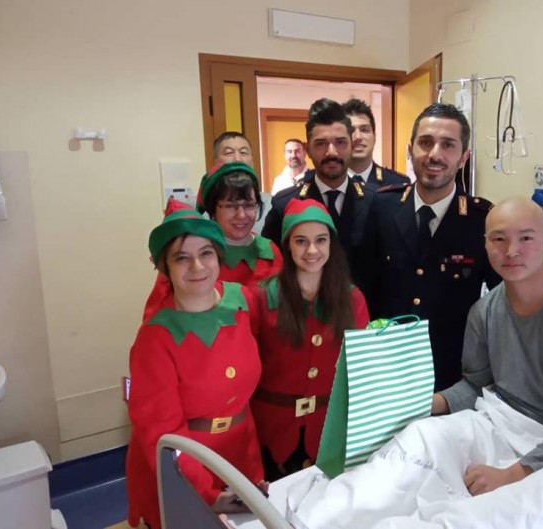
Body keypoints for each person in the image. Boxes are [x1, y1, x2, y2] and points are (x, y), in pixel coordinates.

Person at [431, 195, 543, 494]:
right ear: (485, 244)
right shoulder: (483, 312)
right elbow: (476, 385)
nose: (511, 251)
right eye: (499, 239)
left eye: (526, 238)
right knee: (422, 441)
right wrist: (424, 405)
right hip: (504, 423)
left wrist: (511, 475)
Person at [126, 199, 266, 529]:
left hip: (242, 455)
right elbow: (162, 433)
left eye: (206, 253)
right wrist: (207, 493)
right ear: (166, 268)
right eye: (182, 258)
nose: (197, 266)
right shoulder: (155, 339)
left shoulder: (241, 302)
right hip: (183, 469)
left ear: (218, 256)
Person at [357, 102, 501, 391]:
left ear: (463, 157)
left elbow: (502, 300)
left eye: (448, 145)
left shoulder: (482, 219)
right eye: (425, 142)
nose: (435, 154)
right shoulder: (382, 207)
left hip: (451, 374)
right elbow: (361, 285)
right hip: (385, 369)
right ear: (410, 150)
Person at [251, 198, 369, 480]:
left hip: (329, 431)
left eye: (321, 240)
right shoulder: (261, 298)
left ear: (331, 244)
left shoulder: (352, 299)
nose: (312, 250)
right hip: (271, 432)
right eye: (301, 241)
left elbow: (360, 369)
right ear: (288, 245)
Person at [142, 162, 282, 320]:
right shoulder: (193, 254)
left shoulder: (270, 251)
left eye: (249, 205)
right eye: (230, 206)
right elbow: (156, 316)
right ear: (212, 209)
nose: (241, 215)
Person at [262, 98, 374, 281]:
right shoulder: (285, 204)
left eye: (340, 142)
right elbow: (272, 269)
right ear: (308, 150)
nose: (331, 152)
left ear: (352, 146)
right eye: (321, 143)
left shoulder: (375, 202)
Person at [341, 98, 410, 188]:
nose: (358, 137)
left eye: (364, 130)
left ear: (374, 137)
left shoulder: (397, 183)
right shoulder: (329, 182)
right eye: (351, 130)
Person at [212, 131, 271, 233]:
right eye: (229, 153)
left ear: (252, 161)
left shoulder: (271, 204)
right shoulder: (200, 209)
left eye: (243, 152)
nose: (237, 159)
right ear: (215, 161)